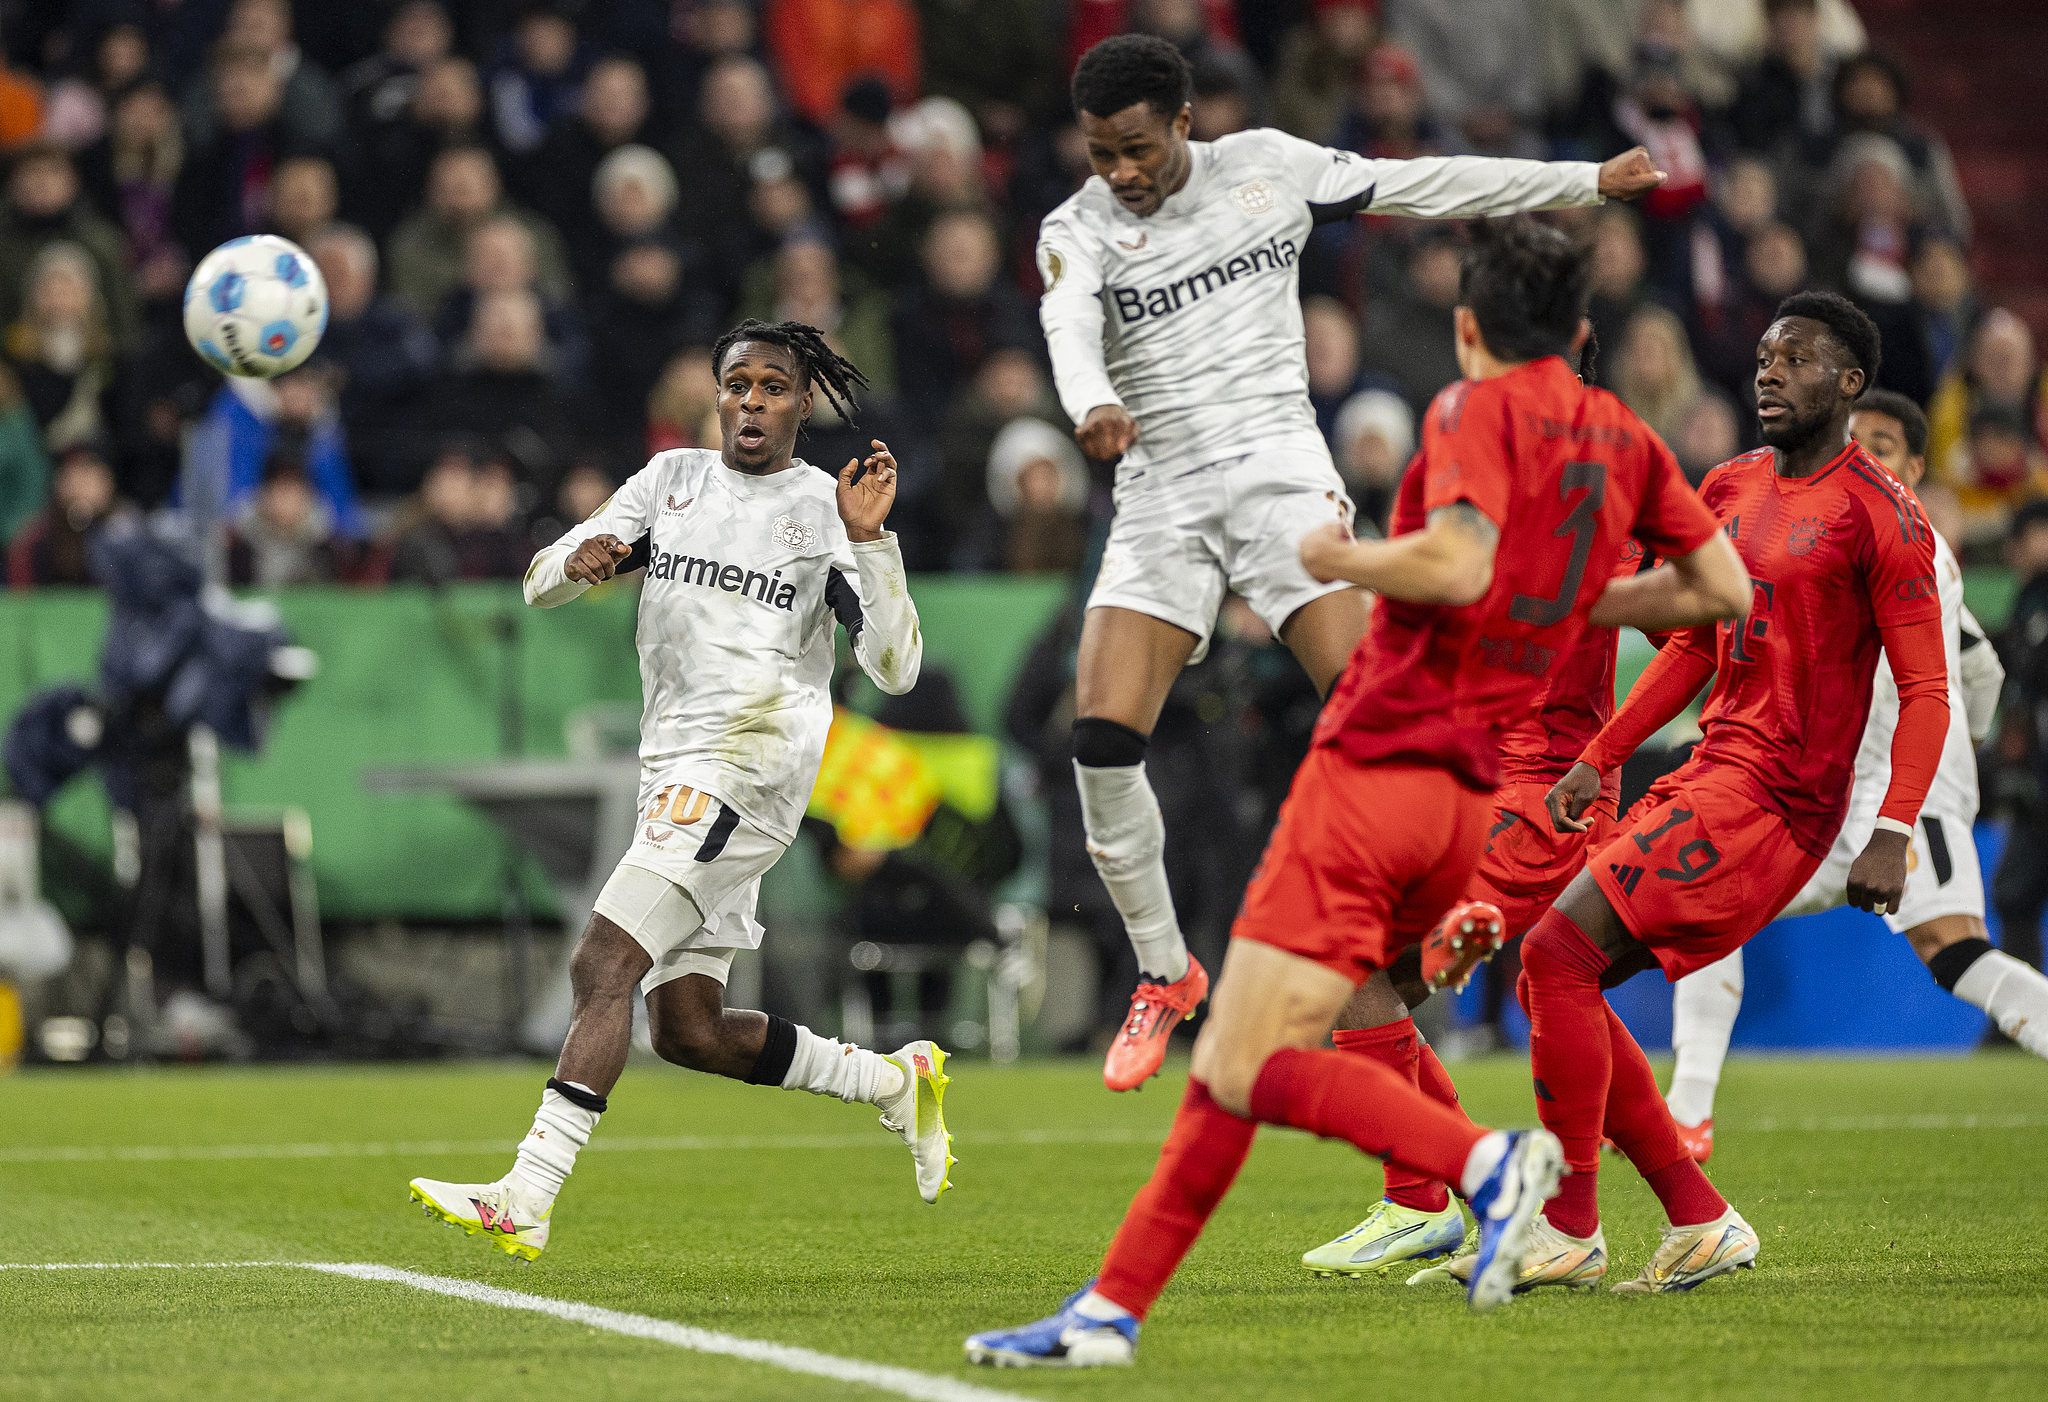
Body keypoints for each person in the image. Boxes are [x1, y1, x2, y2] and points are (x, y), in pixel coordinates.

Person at [963, 220, 1745, 1363]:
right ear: (1581, 331)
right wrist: (1565, 599)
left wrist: (1341, 560)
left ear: (1466, 329)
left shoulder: (1467, 410)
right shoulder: (1620, 434)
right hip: (1472, 792)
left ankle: (1480, 1167)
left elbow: (1457, 561)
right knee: (1243, 1051)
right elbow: (1713, 587)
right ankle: (1107, 1316)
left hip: (1380, 762)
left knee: (1250, 1052)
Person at [1032, 32, 1665, 1091]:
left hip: (1281, 479)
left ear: (1186, 122)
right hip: (1161, 493)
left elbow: (1421, 185)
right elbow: (1064, 323)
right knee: (1098, 741)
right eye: (1101, 154)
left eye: (1136, 149)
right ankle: (1162, 971)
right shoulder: (1076, 227)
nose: (1120, 173)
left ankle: (1448, 895)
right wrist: (1088, 401)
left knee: (1378, 707)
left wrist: (1583, 183)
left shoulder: (1268, 167)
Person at [407, 320, 947, 1261]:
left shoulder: (828, 508)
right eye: (737, 384)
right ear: (717, 395)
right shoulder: (670, 482)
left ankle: (528, 1192)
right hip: (677, 767)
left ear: (802, 403)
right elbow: (540, 585)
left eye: (774, 387)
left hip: (748, 771)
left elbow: (896, 670)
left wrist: (874, 544)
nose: (752, 401)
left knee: (600, 963)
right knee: (690, 1029)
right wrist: (577, 565)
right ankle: (893, 1084)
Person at [1529, 292, 1949, 1294]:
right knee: (1562, 969)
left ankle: (1571, 1225)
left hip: (1781, 798)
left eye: (1793, 359)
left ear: (1847, 383)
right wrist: (1603, 750)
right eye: (1762, 356)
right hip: (1714, 765)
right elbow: (1690, 643)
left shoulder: (1880, 516)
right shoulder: (1724, 485)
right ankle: (1695, 1218)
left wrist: (1890, 830)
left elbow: (1927, 688)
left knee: (1552, 953)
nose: (1766, 372)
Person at [1661, 389, 2043, 1159]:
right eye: (1855, 441)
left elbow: (1974, 679)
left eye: (1884, 445)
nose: (1865, 455)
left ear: (1916, 464)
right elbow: (1980, 665)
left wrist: (1949, 780)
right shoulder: (1834, 532)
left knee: (1954, 950)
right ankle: (1687, 1111)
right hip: (1826, 792)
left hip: (1906, 794)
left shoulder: (1912, 542)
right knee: (1704, 908)